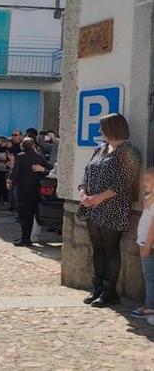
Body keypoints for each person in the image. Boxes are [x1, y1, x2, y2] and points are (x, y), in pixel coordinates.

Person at [77, 113, 141, 307]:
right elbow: (87, 173)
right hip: (92, 207)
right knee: (97, 248)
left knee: (110, 248)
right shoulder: (100, 149)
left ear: (113, 128)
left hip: (113, 208)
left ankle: (109, 292)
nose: (100, 131)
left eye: (102, 127)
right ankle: (96, 288)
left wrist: (98, 198)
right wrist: (83, 194)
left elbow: (125, 181)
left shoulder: (129, 151)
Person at [9, 137, 52, 247]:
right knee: (31, 214)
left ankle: (25, 238)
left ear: (22, 146)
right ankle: (26, 237)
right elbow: (50, 168)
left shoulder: (20, 156)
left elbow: (15, 171)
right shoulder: (39, 156)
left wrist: (10, 180)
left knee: (23, 215)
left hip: (22, 189)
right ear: (33, 145)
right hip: (35, 189)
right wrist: (42, 170)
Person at [130, 168, 154, 320]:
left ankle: (151, 307)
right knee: (148, 276)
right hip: (145, 242)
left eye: (148, 180)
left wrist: (147, 244)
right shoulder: (150, 198)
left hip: (149, 244)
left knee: (150, 277)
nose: (144, 183)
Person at [0, 136, 10, 205]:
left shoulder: (7, 149)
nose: (1, 143)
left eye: (2, 141)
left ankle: (5, 199)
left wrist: (3, 159)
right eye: (0, 141)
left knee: (4, 184)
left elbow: (8, 159)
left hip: (4, 169)